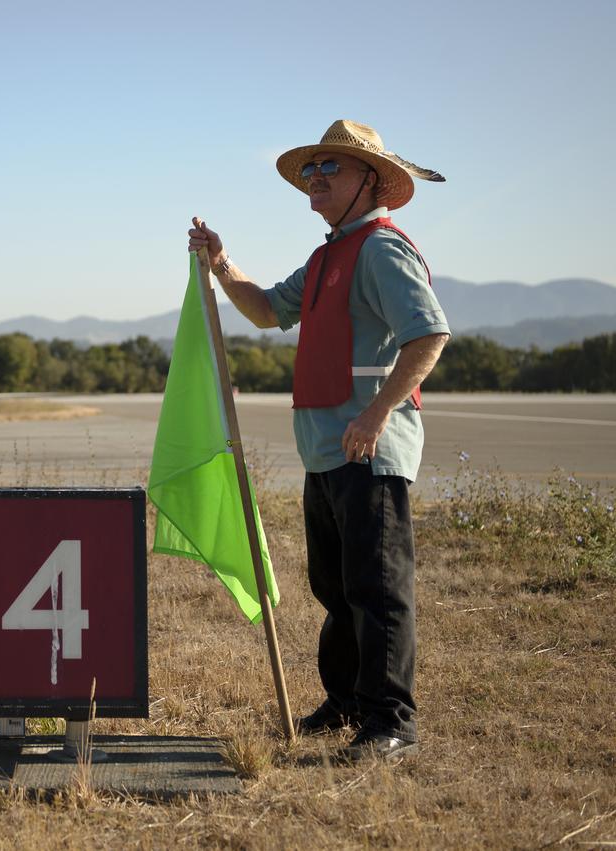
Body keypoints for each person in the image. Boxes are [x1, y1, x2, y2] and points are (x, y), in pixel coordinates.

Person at [187, 120, 450, 763]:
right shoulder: (329, 255)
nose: (316, 178)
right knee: (336, 589)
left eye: (332, 167)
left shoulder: (383, 251)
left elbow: (429, 336)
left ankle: (391, 721)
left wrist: (377, 415)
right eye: (313, 168)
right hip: (325, 453)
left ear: (369, 180)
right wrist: (221, 262)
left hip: (368, 449)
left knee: (376, 589)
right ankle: (348, 703)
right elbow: (265, 309)